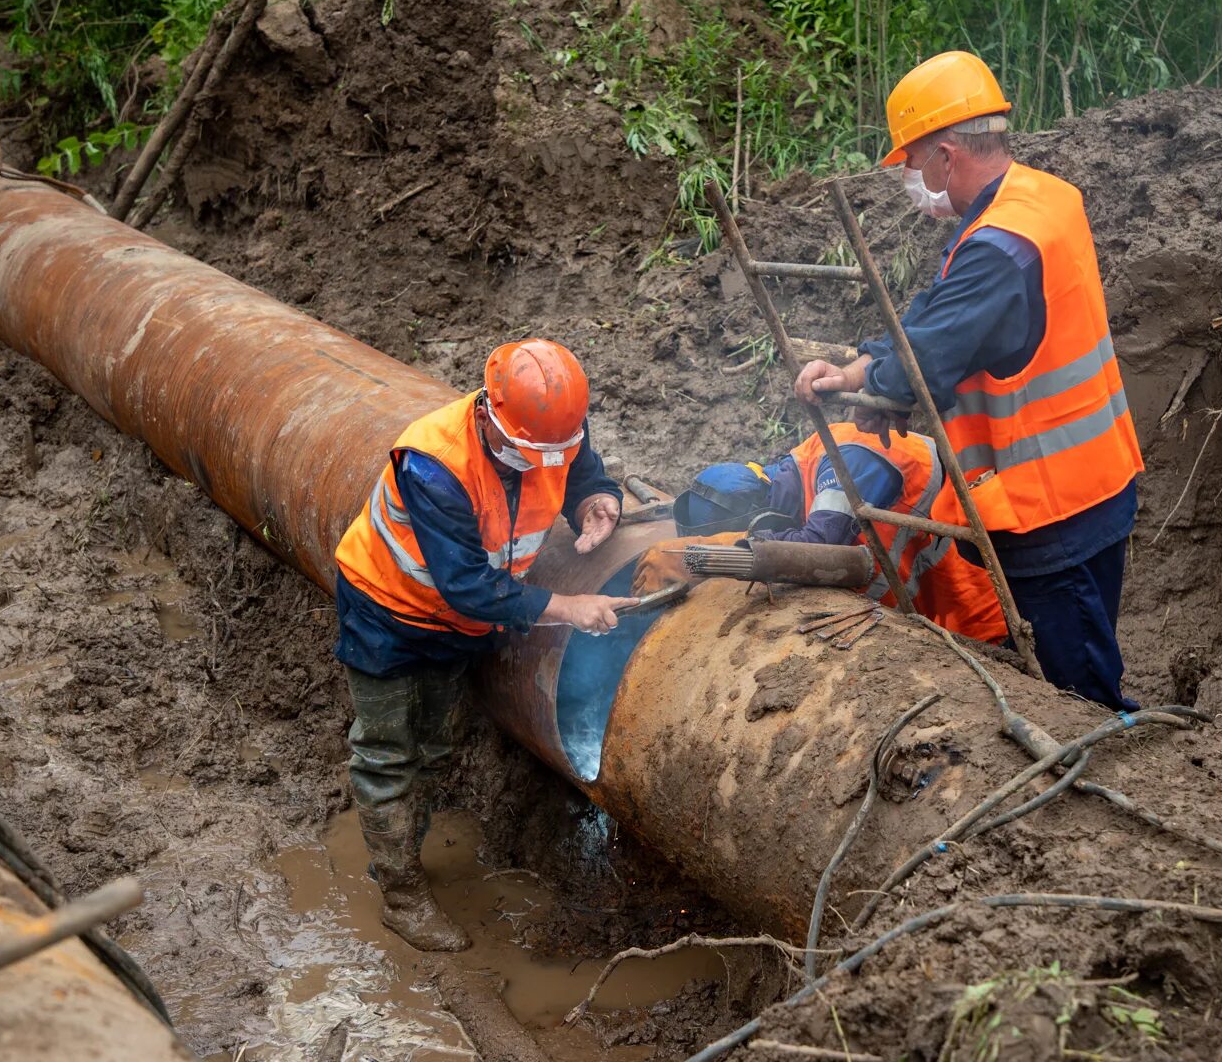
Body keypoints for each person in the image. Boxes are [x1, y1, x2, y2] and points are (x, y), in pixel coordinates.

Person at [793, 51, 1144, 710]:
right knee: (1084, 648)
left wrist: (871, 385)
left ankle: (1092, 779)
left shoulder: (995, 250)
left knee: (1076, 695)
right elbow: (938, 316)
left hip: (1049, 507)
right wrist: (861, 368)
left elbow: (923, 359)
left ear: (946, 154)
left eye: (912, 163)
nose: (910, 179)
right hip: (1098, 477)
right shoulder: (1039, 199)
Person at [332, 338, 639, 951]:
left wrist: (595, 498)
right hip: (389, 613)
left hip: (461, 625)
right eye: (530, 453)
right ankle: (399, 894)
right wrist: (569, 608)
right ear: (491, 418)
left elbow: (578, 463)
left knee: (436, 743)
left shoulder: (550, 425)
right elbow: (468, 585)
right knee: (390, 752)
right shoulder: (434, 465)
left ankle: (399, 841)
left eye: (556, 448)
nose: (542, 462)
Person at [632, 422, 1007, 644]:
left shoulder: (844, 460)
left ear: (761, 515)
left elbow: (820, 545)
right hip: (928, 618)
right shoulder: (800, 472)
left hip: (974, 608)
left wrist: (707, 554)